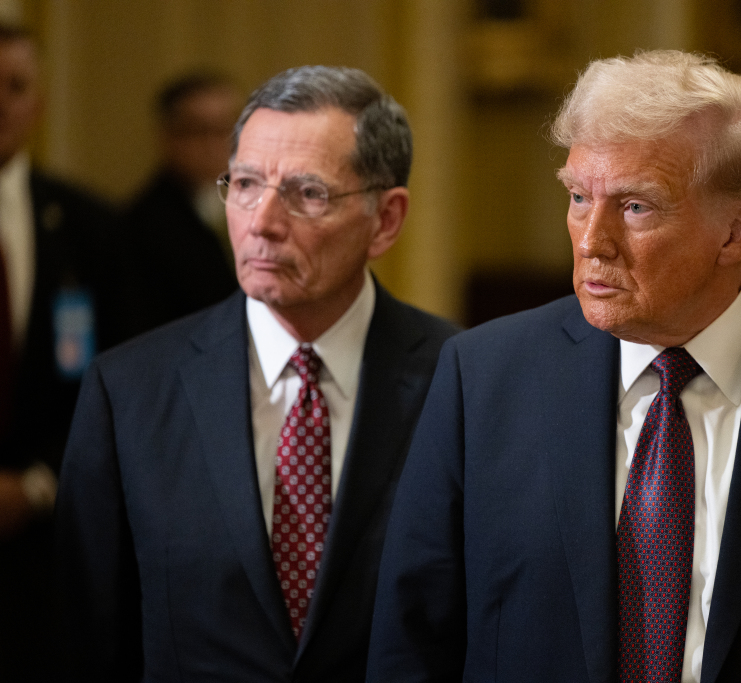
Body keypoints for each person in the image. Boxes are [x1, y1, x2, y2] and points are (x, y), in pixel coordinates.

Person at [367, 51, 741, 682]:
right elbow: (411, 646)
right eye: (580, 197)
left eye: (636, 206)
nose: (591, 239)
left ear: (735, 233)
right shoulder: (483, 378)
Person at [56, 65, 458, 682]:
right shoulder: (129, 392)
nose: (261, 222)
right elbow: (90, 644)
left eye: (307, 193)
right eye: (245, 183)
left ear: (385, 220)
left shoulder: (464, 382)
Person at [0, 24, 118, 682]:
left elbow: (110, 378)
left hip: (45, 540)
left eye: (16, 87)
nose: (0, 103)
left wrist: (39, 482)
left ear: (38, 104)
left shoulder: (89, 227)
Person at [116, 71, 242, 340]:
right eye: (200, 131)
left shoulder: (253, 205)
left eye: (225, 129)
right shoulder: (141, 226)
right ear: (169, 137)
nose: (215, 144)